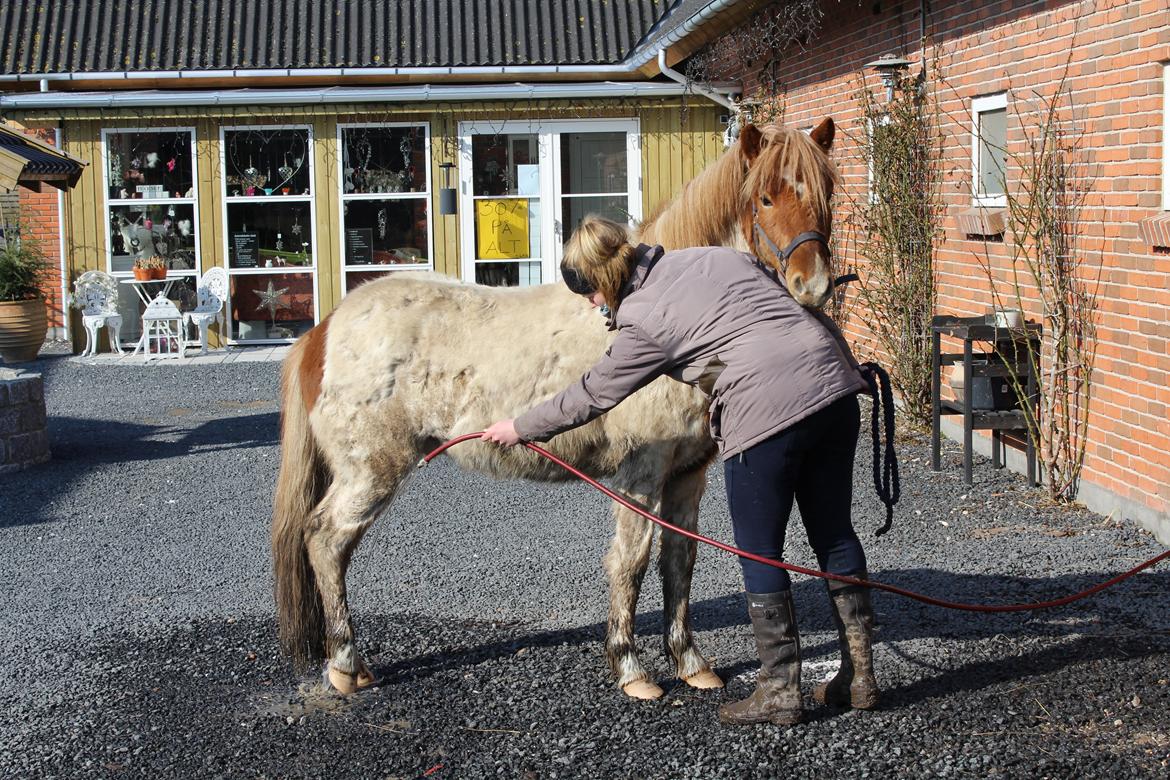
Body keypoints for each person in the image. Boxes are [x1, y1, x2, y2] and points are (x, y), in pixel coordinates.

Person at [482, 216, 879, 726]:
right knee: (835, 535)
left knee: (760, 550)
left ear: (604, 283)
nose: (592, 306)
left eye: (590, 295)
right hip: (836, 393)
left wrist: (521, 426)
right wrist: (848, 367)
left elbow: (594, 393)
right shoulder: (712, 257)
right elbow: (799, 307)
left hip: (766, 411)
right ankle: (861, 677)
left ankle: (780, 691)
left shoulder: (644, 319)